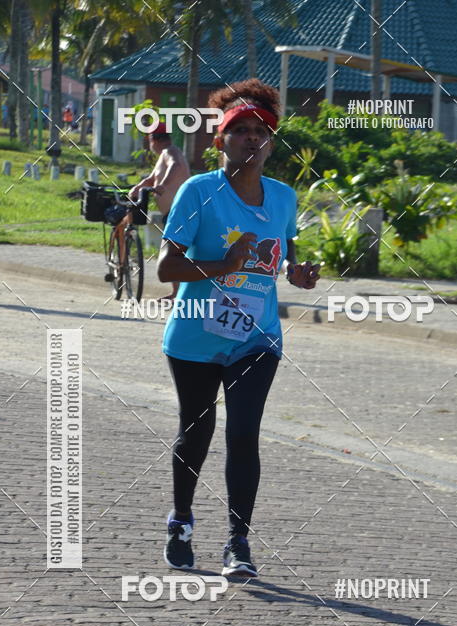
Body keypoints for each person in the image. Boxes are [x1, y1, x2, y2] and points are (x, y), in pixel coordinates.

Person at [157, 78, 320, 578]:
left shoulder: (284, 198)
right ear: (219, 141)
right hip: (194, 335)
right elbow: (166, 268)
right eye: (240, 129)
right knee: (196, 431)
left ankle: (238, 543)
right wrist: (221, 265)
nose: (252, 137)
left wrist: (298, 274)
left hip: (257, 336)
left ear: (271, 142)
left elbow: (284, 260)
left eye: (261, 130)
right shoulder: (199, 191)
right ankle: (182, 520)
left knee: (244, 433)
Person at [128, 122, 190, 299]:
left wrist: (163, 185)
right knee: (174, 251)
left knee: (174, 252)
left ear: (153, 140)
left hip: (178, 210)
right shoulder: (165, 154)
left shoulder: (170, 152)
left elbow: (175, 166)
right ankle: (177, 292)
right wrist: (137, 188)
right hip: (172, 212)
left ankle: (180, 293)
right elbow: (151, 178)